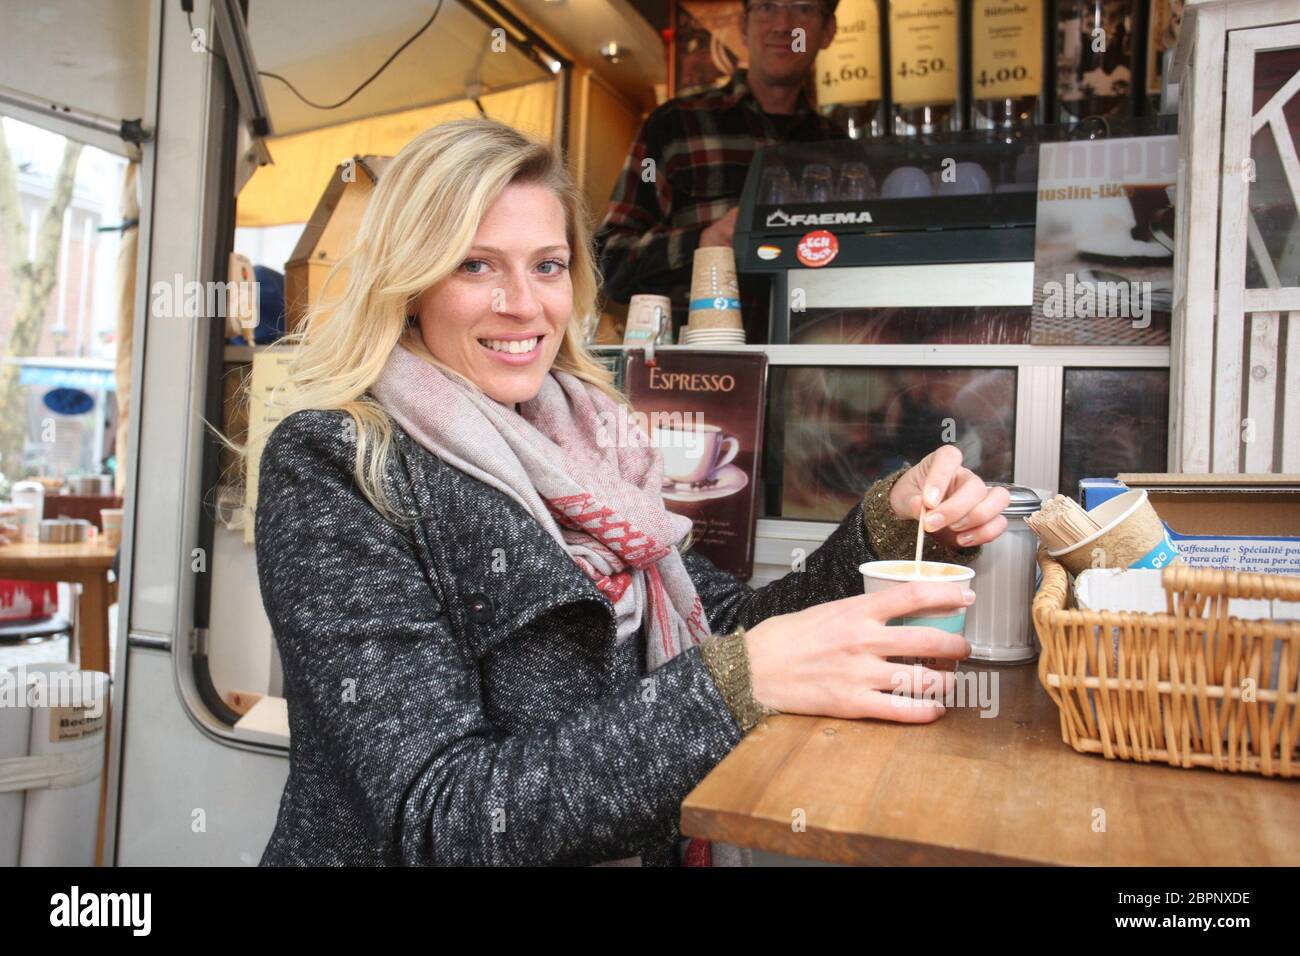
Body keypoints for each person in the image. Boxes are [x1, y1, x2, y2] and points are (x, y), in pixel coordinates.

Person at [249, 118, 1010, 867]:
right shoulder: (337, 462)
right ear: (409, 282)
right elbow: (439, 817)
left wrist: (889, 526)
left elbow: (729, 625)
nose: (524, 304)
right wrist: (735, 685)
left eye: (547, 266)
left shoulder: (587, 438)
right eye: (476, 266)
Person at [594, 0, 845, 334]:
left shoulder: (842, 154)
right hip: (692, 375)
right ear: (743, 25)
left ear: (828, 30)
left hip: (813, 371)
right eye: (767, 6)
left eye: (803, 8)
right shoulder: (673, 127)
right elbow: (609, 265)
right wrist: (704, 242)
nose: (784, 24)